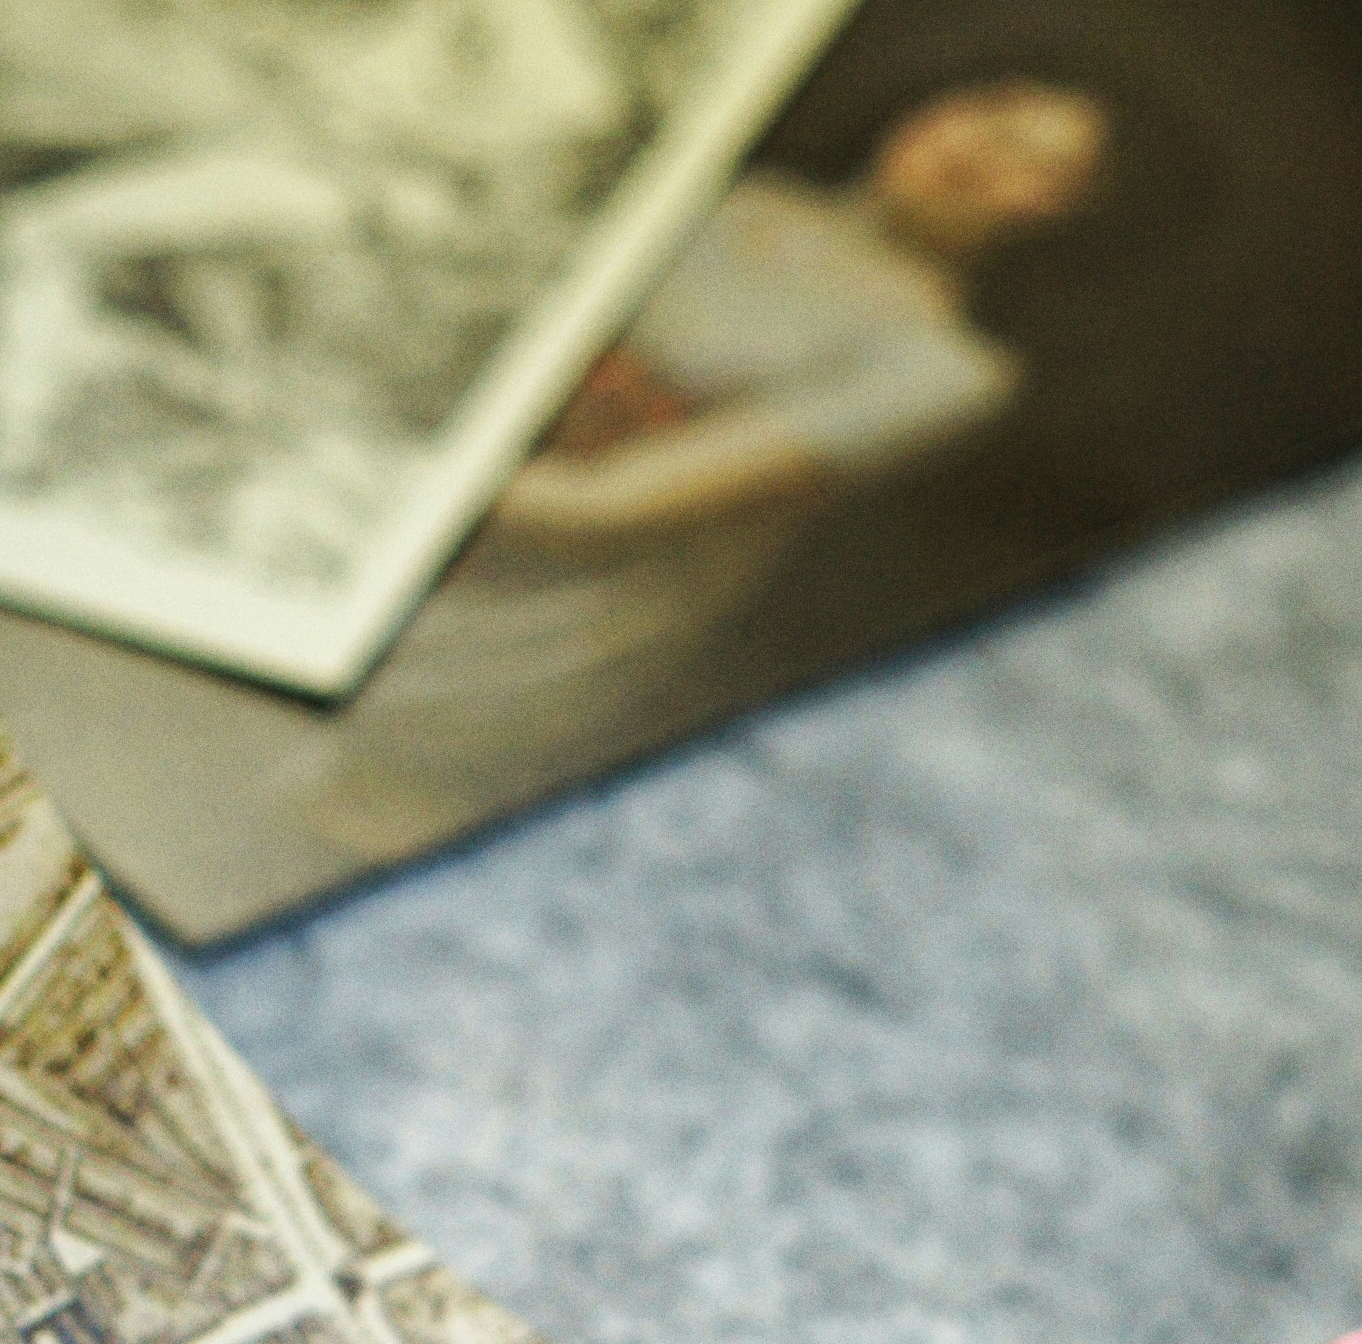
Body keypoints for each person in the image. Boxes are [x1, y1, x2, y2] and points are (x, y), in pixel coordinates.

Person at [341, 76, 1113, 804]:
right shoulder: (734, 194)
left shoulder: (945, 367)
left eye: (1040, 163)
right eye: (994, 108)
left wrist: (356, 464)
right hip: (387, 509)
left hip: (514, 627)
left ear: (1075, 215)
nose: (981, 151)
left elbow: (607, 506)